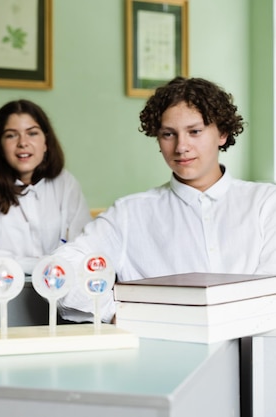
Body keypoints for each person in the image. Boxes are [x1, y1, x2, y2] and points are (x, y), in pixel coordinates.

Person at [54, 76, 276, 323]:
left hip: (257, 351)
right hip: (164, 353)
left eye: (195, 131)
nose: (181, 146)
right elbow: (63, 268)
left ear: (222, 133)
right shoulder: (129, 214)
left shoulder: (266, 203)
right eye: (169, 134)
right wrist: (114, 312)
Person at [0, 99, 91, 276]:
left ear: (46, 142)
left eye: (32, 133)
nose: (23, 142)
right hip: (3, 293)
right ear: (0, 145)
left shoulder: (66, 183)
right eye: (11, 135)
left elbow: (85, 248)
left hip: (60, 291)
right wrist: (40, 265)